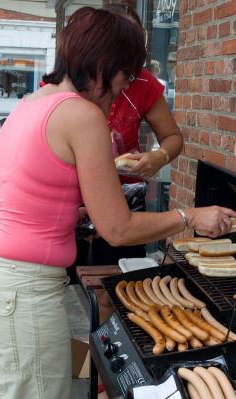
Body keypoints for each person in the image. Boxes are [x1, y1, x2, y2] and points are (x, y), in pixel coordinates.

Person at [0, 7, 236, 399]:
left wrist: (65, 209)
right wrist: (190, 216)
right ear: (105, 64)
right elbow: (118, 228)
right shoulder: (82, 115)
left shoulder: (28, 105)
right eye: (125, 76)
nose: (124, 89)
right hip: (20, 293)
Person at [75, 4, 184, 266]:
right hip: (74, 193)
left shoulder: (144, 83)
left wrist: (159, 156)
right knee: (70, 277)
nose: (131, 73)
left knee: (117, 277)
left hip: (124, 193)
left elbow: (173, 137)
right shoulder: (74, 81)